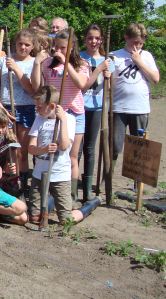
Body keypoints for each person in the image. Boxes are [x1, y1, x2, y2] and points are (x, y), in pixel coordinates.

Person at [31, 29, 89, 208]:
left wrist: (66, 65)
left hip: (73, 113)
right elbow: (37, 86)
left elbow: (81, 84)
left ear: (72, 47)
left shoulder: (82, 64)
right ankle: (45, 194)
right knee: (47, 151)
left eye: (63, 48)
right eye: (56, 47)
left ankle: (70, 196)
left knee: (71, 156)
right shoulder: (48, 63)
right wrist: (37, 64)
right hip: (50, 114)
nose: (58, 51)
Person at [28, 85, 84, 222]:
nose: (37, 110)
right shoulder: (39, 119)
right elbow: (31, 148)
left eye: (40, 107)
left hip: (60, 175)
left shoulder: (69, 119)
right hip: (39, 175)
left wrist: (63, 120)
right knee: (34, 218)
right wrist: (43, 149)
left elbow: (64, 146)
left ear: (52, 106)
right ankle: (50, 201)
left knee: (66, 221)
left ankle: (86, 208)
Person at [111, 23, 160, 173]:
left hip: (139, 107)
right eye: (135, 42)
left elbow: (155, 78)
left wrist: (139, 62)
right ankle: (108, 178)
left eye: (141, 43)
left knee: (138, 145)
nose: (137, 46)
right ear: (126, 38)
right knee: (114, 145)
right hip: (118, 107)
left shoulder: (146, 56)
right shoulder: (115, 55)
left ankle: (137, 181)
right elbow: (108, 82)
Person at [0, 28, 38, 188]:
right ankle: (9, 183)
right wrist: (1, 108)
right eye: (20, 44)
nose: (23, 47)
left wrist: (16, 68)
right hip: (5, 107)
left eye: (27, 45)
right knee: (9, 152)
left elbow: (32, 89)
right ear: (15, 43)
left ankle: (22, 186)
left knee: (21, 152)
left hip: (26, 108)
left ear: (33, 46)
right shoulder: (3, 60)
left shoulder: (34, 62)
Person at [79, 23, 113, 202]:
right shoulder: (79, 58)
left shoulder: (107, 60)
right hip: (79, 108)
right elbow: (80, 85)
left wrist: (108, 77)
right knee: (76, 149)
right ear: (85, 39)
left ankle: (87, 191)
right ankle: (70, 189)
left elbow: (109, 88)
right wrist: (98, 70)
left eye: (97, 38)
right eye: (90, 38)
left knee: (90, 149)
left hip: (98, 107)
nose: (93, 41)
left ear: (102, 40)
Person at [0, 107, 23, 198]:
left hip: (4, 175)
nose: (0, 130)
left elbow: (12, 161)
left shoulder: (10, 140)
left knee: (16, 184)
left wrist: (9, 169)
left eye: (3, 127)